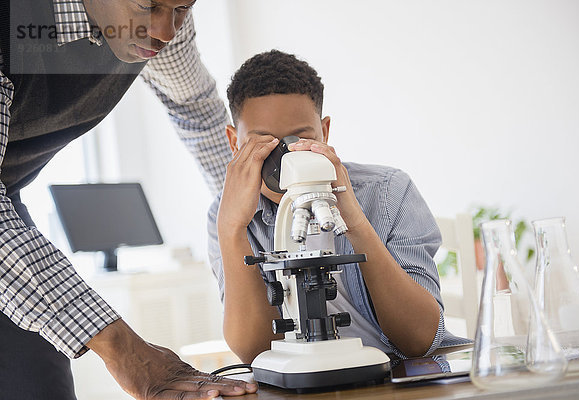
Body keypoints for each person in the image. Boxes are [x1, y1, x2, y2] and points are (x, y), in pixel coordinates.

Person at [0, 0, 256, 399]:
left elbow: (195, 109)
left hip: (5, 193)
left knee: (38, 383)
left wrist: (255, 225)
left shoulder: (162, 25)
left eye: (182, 9)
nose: (167, 31)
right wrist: (124, 349)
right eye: (148, 5)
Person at [208, 50, 471, 364]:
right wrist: (231, 229)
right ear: (234, 142)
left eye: (298, 139)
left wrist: (355, 220)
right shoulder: (226, 216)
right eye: (262, 141)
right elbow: (256, 350)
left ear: (324, 132)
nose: (282, 156)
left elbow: (420, 340)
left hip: (398, 371)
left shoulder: (387, 191)